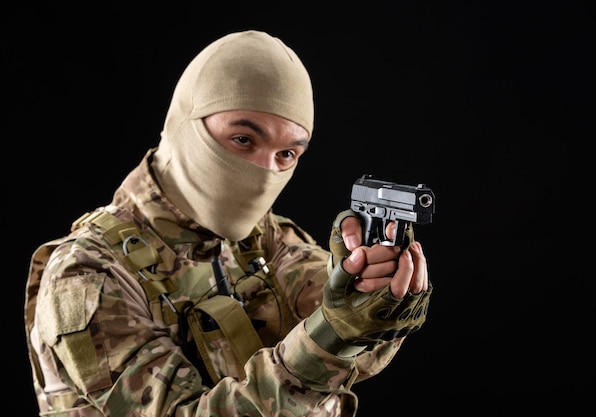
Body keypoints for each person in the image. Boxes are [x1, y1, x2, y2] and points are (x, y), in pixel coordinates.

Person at [24, 30, 433, 416]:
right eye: (243, 140)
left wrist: (371, 285)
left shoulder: (265, 240)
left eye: (287, 154)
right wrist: (327, 338)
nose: (264, 170)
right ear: (186, 122)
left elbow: (334, 302)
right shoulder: (87, 274)